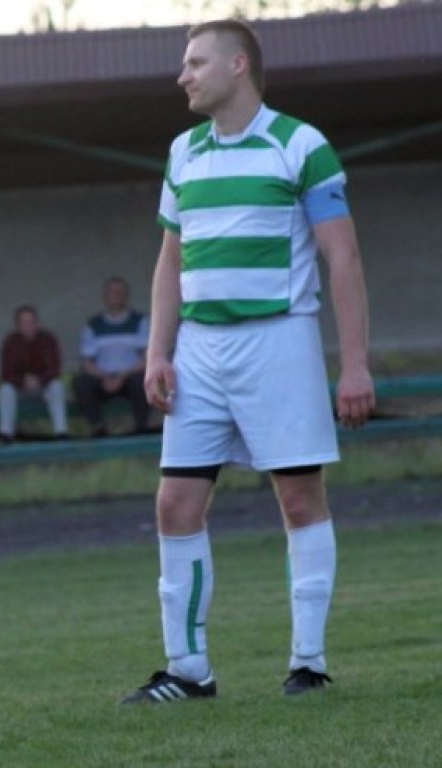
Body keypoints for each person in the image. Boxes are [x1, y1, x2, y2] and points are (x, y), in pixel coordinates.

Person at [120, 19, 374, 704]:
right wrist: (158, 351)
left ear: (238, 66)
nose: (183, 75)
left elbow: (343, 257)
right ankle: (187, 671)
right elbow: (170, 260)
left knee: (299, 498)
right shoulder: (182, 153)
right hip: (199, 351)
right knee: (174, 503)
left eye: (196, 62)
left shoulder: (301, 145)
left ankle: (308, 663)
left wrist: (354, 364)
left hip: (279, 341)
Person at [72, 276, 151, 437]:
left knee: (142, 380)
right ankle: (98, 427)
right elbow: (86, 361)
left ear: (126, 296)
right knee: (81, 383)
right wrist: (105, 377)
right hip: (102, 377)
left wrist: (122, 376)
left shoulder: (140, 322)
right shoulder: (93, 325)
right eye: (112, 293)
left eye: (120, 292)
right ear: (105, 297)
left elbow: (147, 358)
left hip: (129, 375)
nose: (116, 296)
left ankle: (141, 427)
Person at [0, 304, 68, 442]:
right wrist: (22, 382)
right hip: (20, 390)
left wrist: (39, 380)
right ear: (18, 326)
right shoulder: (10, 342)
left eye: (31, 322)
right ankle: (6, 434)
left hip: (43, 389)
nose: (28, 327)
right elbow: (5, 373)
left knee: (57, 386)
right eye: (24, 323)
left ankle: (61, 432)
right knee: (5, 391)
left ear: (37, 323)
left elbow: (55, 368)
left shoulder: (48, 340)